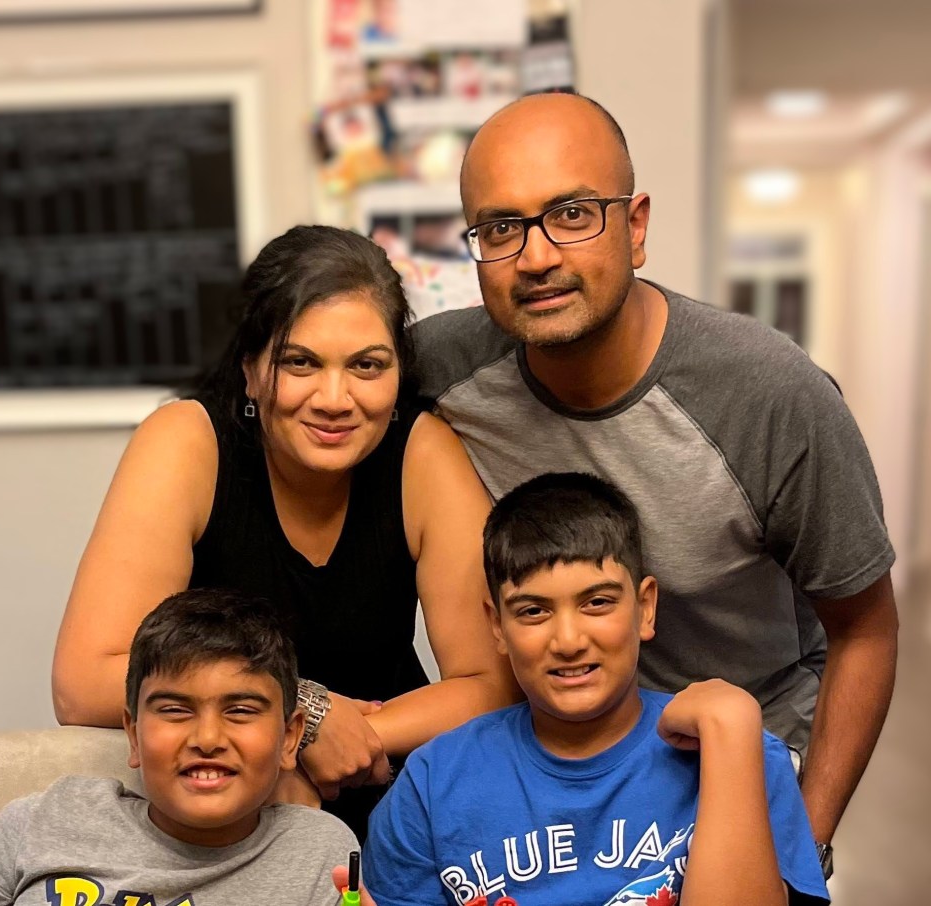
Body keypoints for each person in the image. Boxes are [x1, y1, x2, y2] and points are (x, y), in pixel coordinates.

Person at [412, 91, 898, 859]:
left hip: (744, 760)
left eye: (573, 214)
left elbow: (864, 631)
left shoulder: (771, 395)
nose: (536, 257)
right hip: (568, 774)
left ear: (635, 227)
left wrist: (804, 842)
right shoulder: (439, 368)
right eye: (501, 229)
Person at [52, 225, 517, 837]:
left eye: (366, 365)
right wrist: (304, 715)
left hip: (388, 786)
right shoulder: (187, 441)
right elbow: (82, 682)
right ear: (250, 370)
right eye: (300, 362)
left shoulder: (420, 451)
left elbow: (495, 682)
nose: (335, 398)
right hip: (222, 798)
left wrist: (347, 737)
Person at [363, 472, 830, 906]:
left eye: (598, 602)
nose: (568, 641)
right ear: (498, 626)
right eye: (533, 611)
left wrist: (730, 726)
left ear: (645, 608)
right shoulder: (432, 783)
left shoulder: (741, 752)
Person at [0, 590, 358, 906]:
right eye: (175, 710)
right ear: (134, 735)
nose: (207, 739)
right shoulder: (42, 821)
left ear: (289, 738)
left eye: (240, 711)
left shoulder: (318, 852)